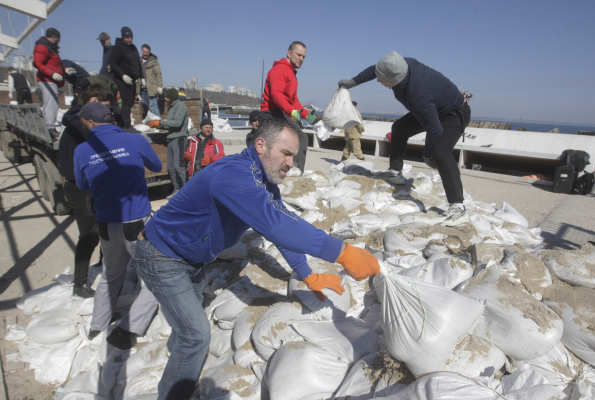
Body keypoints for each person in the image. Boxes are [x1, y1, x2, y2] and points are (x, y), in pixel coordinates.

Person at [133, 118, 380, 400]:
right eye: (286, 153)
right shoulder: (234, 175)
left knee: (190, 325)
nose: (291, 162)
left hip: (192, 258)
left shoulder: (262, 182)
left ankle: (180, 354)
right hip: (161, 255)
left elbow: (281, 224)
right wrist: (342, 252)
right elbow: (277, 227)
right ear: (260, 145)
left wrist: (306, 273)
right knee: (197, 336)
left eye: (295, 156)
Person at [338, 51, 472, 226]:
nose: (378, 80)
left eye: (382, 79)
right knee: (399, 128)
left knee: (441, 152)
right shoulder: (400, 64)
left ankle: (458, 207)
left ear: (395, 79)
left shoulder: (418, 94)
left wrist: (427, 153)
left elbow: (435, 130)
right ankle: (395, 172)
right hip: (434, 107)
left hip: (453, 114)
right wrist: (353, 82)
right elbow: (377, 70)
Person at [73, 102, 162, 350]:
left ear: (91, 123)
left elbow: (81, 185)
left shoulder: (82, 150)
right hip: (135, 223)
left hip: (105, 223)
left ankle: (97, 326)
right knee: (158, 277)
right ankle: (129, 329)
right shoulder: (135, 141)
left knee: (110, 275)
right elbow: (156, 166)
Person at [59, 85, 114, 299]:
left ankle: (103, 263)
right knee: (89, 233)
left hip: (91, 185)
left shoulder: (84, 123)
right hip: (80, 186)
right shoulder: (79, 128)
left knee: (104, 226)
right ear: (93, 101)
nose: (106, 117)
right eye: (105, 109)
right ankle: (79, 284)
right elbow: (85, 164)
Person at [259, 41, 317, 172]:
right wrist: (291, 112)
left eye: (304, 57)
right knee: (300, 138)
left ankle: (288, 170)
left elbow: (294, 100)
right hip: (270, 112)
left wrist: (306, 114)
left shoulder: (292, 74)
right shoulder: (280, 69)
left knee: (295, 139)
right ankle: (295, 171)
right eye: (299, 55)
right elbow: (276, 94)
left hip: (280, 113)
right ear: (289, 53)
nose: (301, 59)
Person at [109, 26, 142, 132]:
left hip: (132, 79)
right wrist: (122, 75)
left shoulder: (133, 48)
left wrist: (141, 76)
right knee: (127, 101)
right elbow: (112, 63)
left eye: (131, 37)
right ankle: (126, 125)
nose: (129, 39)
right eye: (127, 37)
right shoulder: (118, 48)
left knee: (130, 102)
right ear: (123, 37)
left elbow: (138, 62)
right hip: (122, 79)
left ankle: (123, 123)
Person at [33, 27, 64, 134]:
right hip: (47, 79)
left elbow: (53, 65)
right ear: (54, 37)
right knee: (51, 103)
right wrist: (52, 74)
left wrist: (64, 70)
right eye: (58, 39)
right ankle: (50, 127)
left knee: (49, 102)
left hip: (49, 79)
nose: (59, 41)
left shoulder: (49, 47)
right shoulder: (43, 47)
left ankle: (49, 125)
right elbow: (37, 63)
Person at [159, 88, 189, 198]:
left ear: (171, 97)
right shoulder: (170, 107)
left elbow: (177, 123)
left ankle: (187, 191)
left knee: (179, 166)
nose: (165, 98)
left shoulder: (180, 106)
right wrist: (159, 124)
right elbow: (169, 124)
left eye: (166, 96)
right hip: (171, 139)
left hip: (179, 138)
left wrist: (161, 122)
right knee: (171, 167)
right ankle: (177, 189)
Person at [137, 44, 163, 118]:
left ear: (149, 52)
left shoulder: (154, 62)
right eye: (144, 51)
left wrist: (160, 86)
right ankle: (149, 122)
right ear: (142, 51)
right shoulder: (139, 61)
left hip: (152, 86)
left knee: (153, 106)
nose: (145, 53)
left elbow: (158, 74)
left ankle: (157, 122)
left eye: (147, 52)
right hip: (142, 87)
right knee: (145, 106)